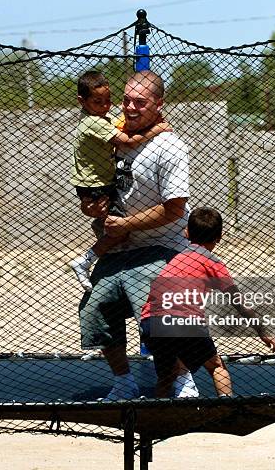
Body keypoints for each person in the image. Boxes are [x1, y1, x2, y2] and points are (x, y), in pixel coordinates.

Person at [79, 70, 198, 400]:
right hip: (120, 245)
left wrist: (128, 224)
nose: (130, 108)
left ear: (158, 104)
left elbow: (174, 209)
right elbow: (94, 184)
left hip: (164, 245)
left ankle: (183, 378)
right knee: (95, 307)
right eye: (127, 100)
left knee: (161, 318)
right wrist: (93, 208)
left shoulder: (170, 147)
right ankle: (123, 381)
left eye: (140, 102)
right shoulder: (111, 136)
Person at [141, 207, 275, 397]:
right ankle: (228, 410)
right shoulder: (213, 263)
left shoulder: (176, 259)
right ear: (219, 237)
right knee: (216, 366)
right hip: (183, 321)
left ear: (186, 232)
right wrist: (263, 332)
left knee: (167, 375)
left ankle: (157, 416)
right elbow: (239, 302)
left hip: (150, 322)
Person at [69, 70, 171, 292]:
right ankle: (85, 260)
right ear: (81, 101)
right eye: (98, 102)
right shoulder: (93, 123)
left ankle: (101, 250)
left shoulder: (97, 118)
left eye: (108, 100)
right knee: (119, 229)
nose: (105, 106)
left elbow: (118, 126)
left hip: (99, 182)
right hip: (96, 185)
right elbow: (128, 140)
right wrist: (158, 128)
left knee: (114, 226)